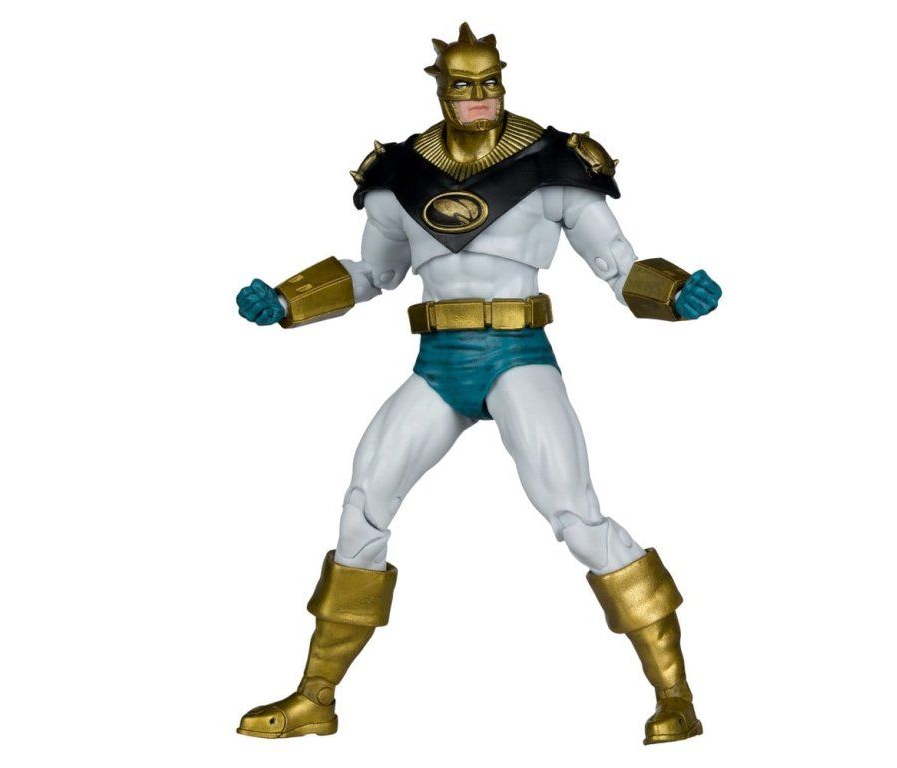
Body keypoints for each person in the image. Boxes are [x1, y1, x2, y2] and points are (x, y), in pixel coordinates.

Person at [234, 22, 722, 745]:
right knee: (364, 504)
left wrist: (674, 292)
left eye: (490, 82)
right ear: (441, 90)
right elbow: (373, 273)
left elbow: (620, 267)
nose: (481, 96)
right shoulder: (400, 176)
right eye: (465, 86)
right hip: (439, 363)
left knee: (575, 514)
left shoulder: (554, 164)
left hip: (518, 356)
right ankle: (316, 697)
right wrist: (286, 301)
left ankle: (674, 692)